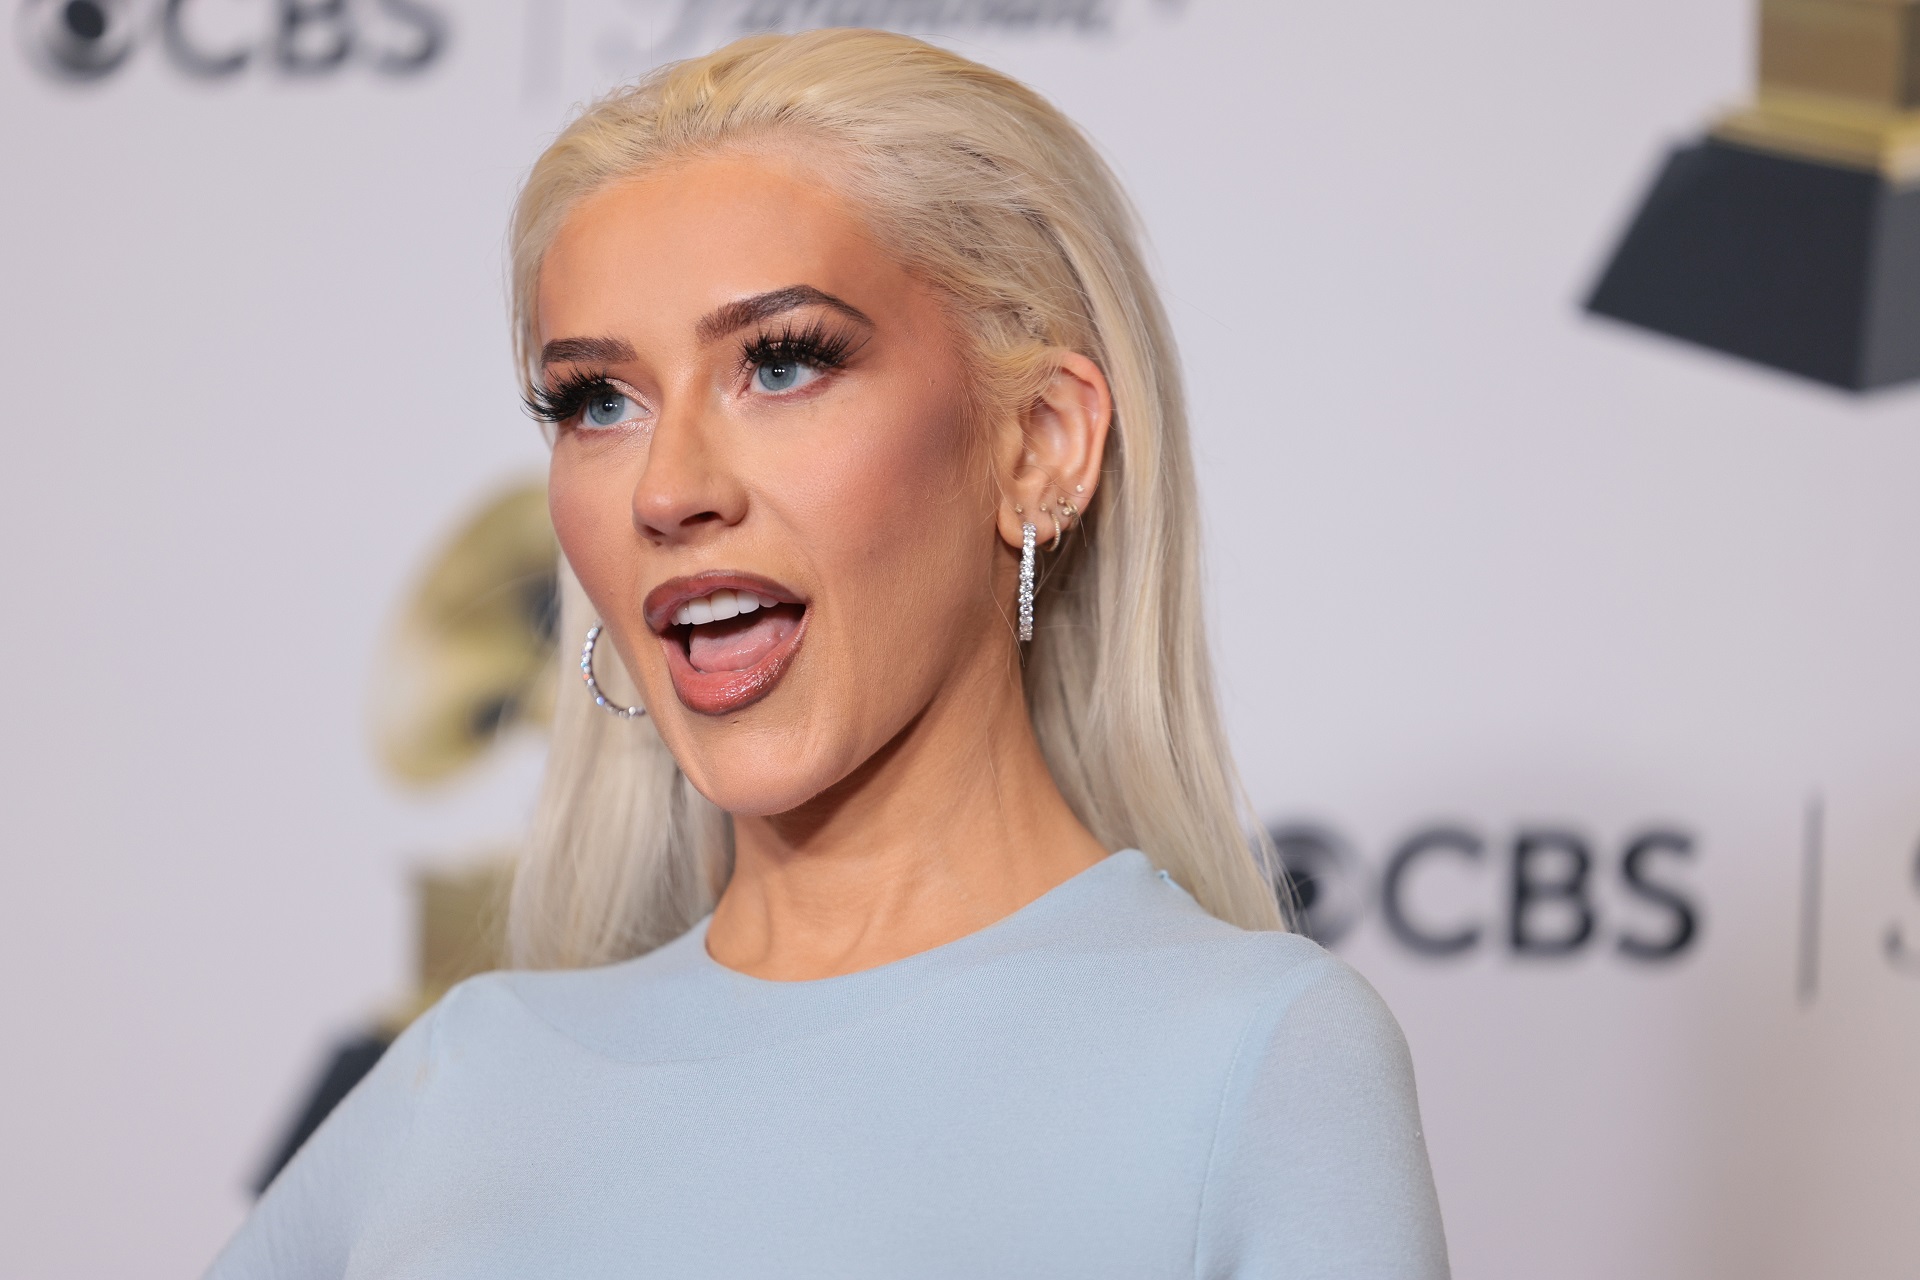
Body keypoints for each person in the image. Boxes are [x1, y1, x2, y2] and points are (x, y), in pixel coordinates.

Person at [209, 28, 1448, 1278]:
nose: (668, 489)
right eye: (598, 401)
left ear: (1040, 441)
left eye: (782, 362)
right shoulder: (464, 1082)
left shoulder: (1253, 1056)